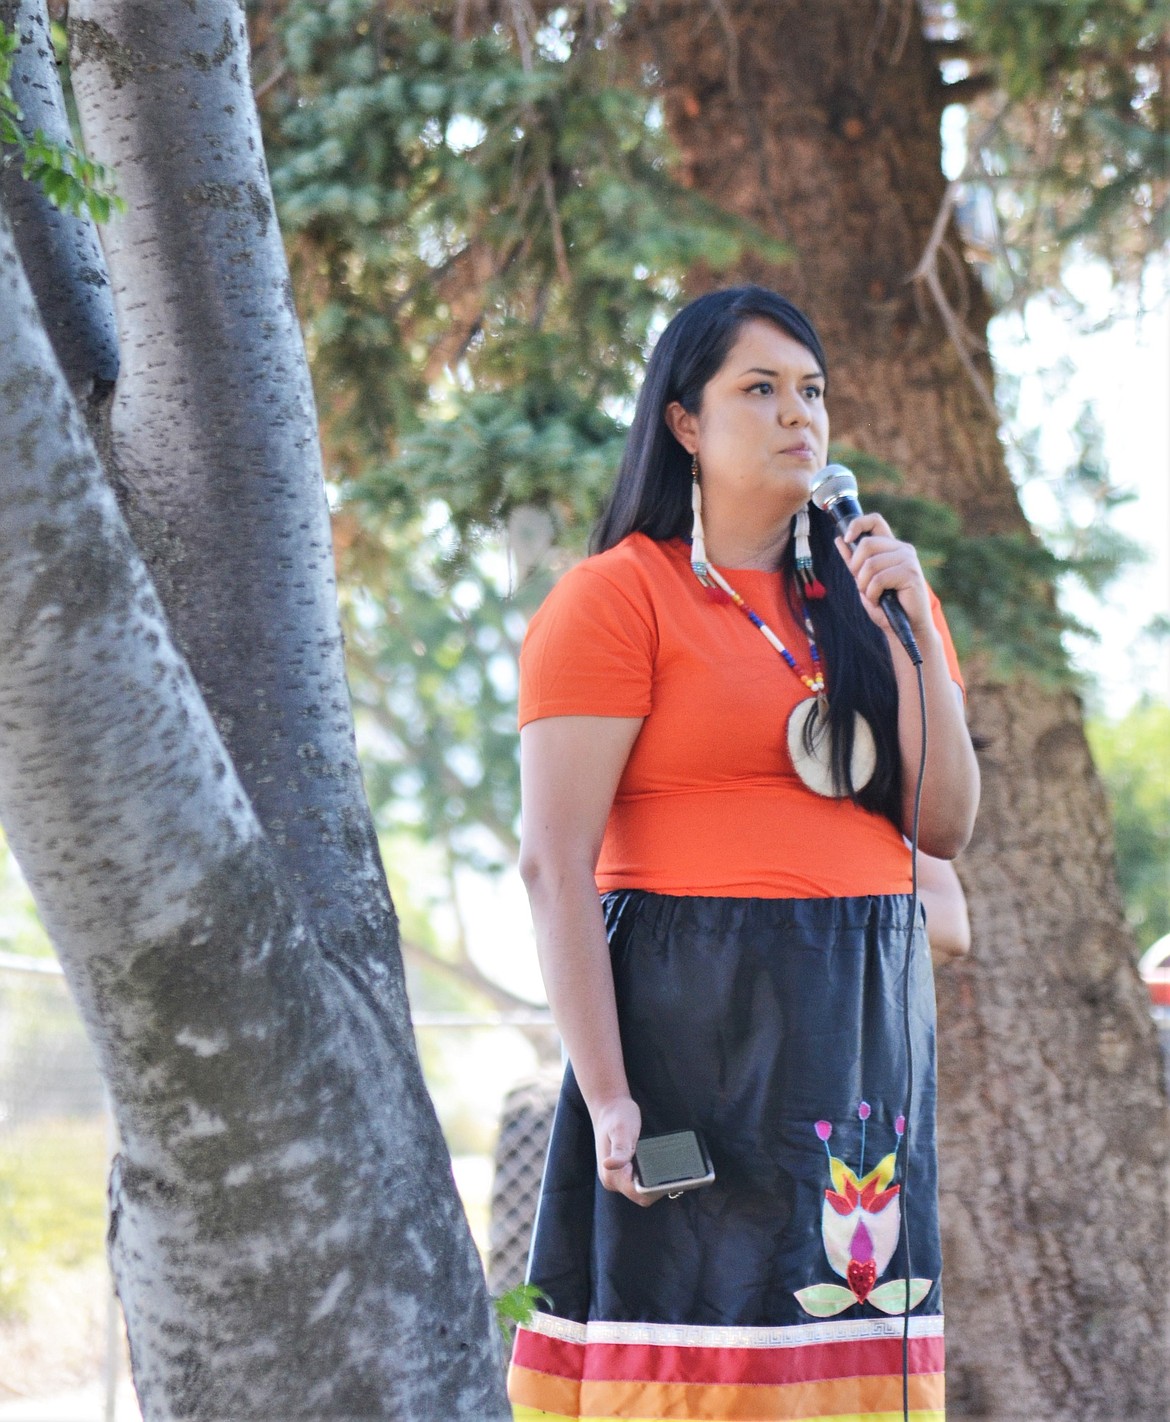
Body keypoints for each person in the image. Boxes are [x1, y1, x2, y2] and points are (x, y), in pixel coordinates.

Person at [507, 285, 980, 1422]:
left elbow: (948, 825)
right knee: (698, 1370)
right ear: (684, 423)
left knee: (847, 1358)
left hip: (858, 1024)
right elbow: (551, 862)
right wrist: (612, 1094)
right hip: (689, 1024)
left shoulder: (879, 600)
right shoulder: (616, 597)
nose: (795, 415)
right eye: (758, 390)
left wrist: (906, 618)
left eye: (810, 390)